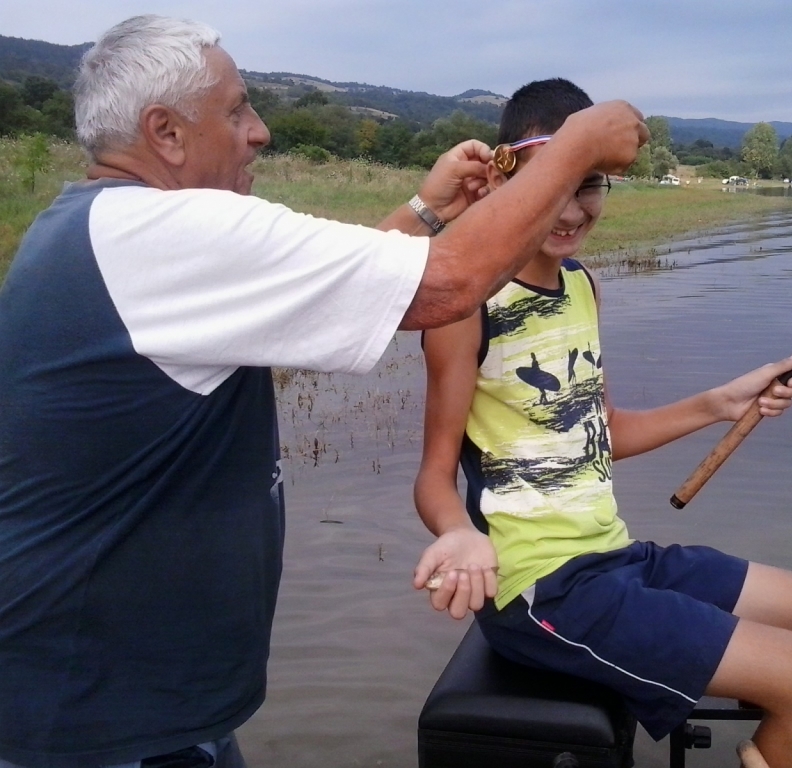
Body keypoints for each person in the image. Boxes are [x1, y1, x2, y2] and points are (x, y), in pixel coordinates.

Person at [0, 16, 649, 768]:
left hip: (139, 696)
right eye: (237, 110)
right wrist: (576, 147)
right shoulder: (159, 232)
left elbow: (338, 289)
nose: (260, 131)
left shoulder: (109, 227)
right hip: (93, 717)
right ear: (166, 133)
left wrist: (428, 212)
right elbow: (447, 286)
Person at [412, 78, 792, 768]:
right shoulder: (466, 303)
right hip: (540, 589)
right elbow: (432, 478)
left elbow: (602, 433)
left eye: (589, 185)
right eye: (554, 181)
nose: (570, 209)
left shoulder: (582, 286)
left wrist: (722, 402)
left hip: (615, 558)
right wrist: (459, 535)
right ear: (503, 180)